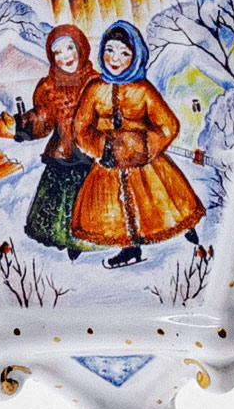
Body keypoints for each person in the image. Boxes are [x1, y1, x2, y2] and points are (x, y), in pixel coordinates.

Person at [70, 20, 205, 269]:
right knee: (107, 210)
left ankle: (187, 229)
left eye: (124, 53)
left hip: (145, 165)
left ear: (136, 56)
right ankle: (127, 248)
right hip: (107, 164)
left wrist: (142, 147)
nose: (115, 58)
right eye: (109, 50)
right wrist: (101, 147)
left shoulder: (143, 90)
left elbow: (168, 126)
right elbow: (80, 129)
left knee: (166, 203)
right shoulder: (94, 89)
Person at [0, 24, 100, 259]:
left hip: (92, 156)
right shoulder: (49, 87)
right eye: (57, 52)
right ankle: (66, 242)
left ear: (81, 48)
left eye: (69, 48)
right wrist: (18, 127)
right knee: (61, 207)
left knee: (90, 201)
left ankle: (89, 240)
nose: (65, 56)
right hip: (62, 156)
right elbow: (42, 119)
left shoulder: (97, 83)